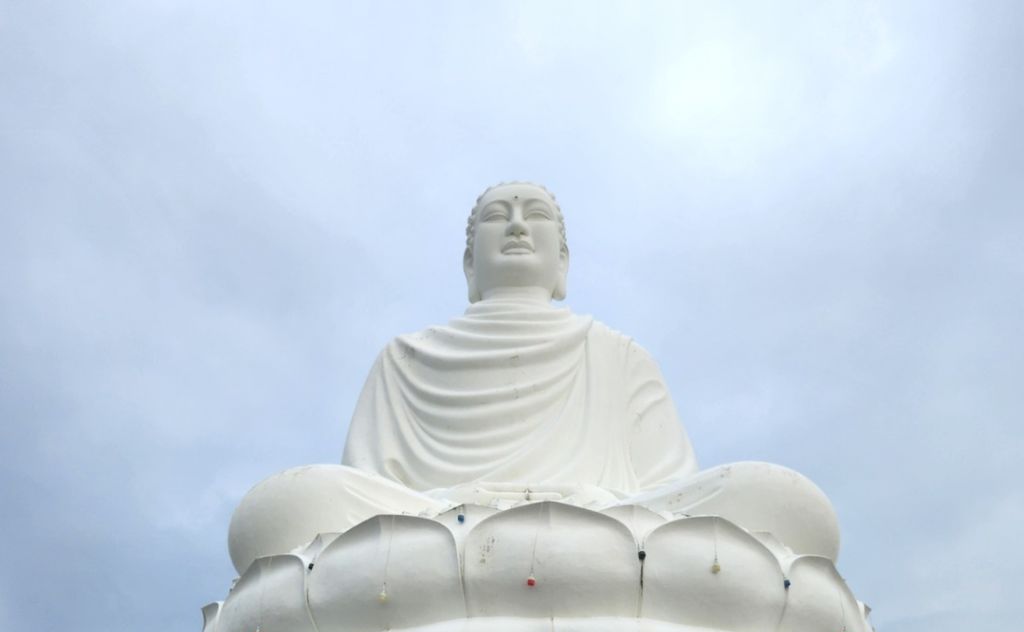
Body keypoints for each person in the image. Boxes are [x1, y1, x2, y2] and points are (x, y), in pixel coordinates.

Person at [227, 182, 840, 574]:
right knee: (285, 507)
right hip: (437, 531)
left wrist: (602, 511)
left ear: (562, 262)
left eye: (535, 216)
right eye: (498, 217)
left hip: (608, 530)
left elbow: (667, 493)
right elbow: (373, 494)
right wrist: (450, 514)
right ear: (470, 264)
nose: (518, 226)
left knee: (784, 501)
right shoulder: (405, 357)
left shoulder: (619, 355)